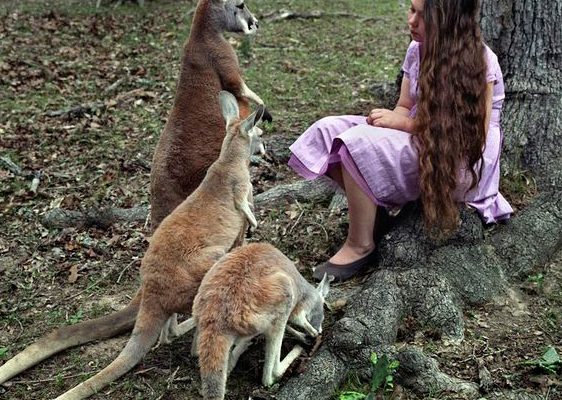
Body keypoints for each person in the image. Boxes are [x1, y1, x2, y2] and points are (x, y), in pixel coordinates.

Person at [288, 0, 513, 282]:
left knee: (355, 144)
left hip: (459, 159)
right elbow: (405, 105)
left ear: (449, 20)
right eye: (411, 10)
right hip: (423, 136)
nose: (412, 21)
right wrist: (390, 127)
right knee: (328, 131)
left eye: (423, 15)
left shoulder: (479, 59)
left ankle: (360, 244)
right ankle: (375, 216)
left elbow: (471, 134)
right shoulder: (416, 49)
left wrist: (404, 125)